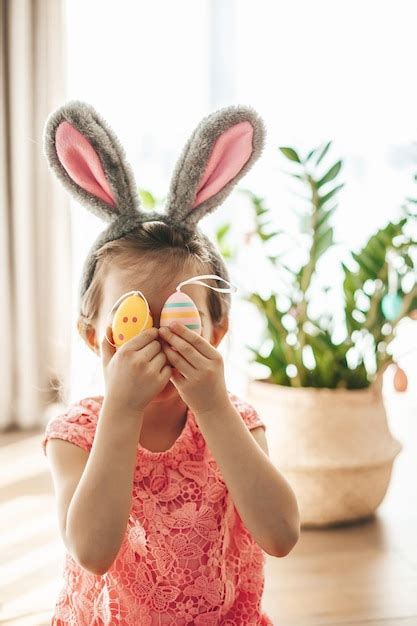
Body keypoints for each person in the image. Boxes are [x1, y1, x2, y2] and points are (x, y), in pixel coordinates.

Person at [41, 100, 300, 625]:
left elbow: (281, 534)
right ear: (94, 336)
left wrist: (213, 409)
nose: (158, 344)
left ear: (216, 332)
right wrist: (120, 410)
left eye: (181, 321)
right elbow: (92, 551)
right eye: (133, 320)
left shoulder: (238, 422)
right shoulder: (76, 435)